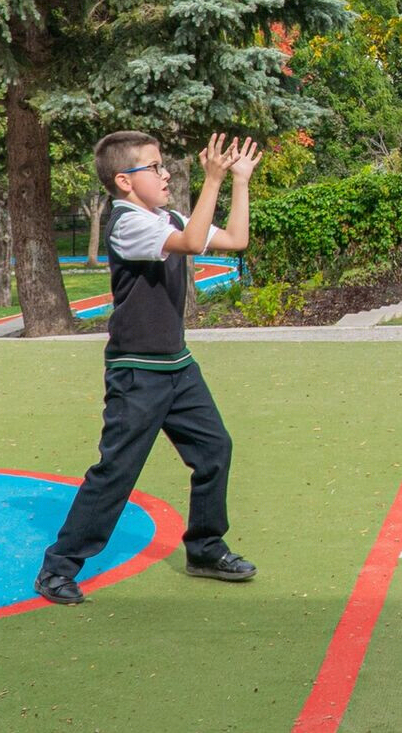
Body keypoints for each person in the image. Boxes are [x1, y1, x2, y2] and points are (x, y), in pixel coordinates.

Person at [35, 131, 261, 605]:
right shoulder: (127, 223)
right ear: (123, 181)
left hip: (177, 366)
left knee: (214, 449)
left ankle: (204, 549)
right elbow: (195, 241)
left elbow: (236, 239)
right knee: (116, 471)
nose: (165, 174)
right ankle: (58, 567)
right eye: (154, 167)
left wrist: (238, 180)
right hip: (137, 371)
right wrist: (212, 180)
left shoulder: (167, 215)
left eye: (162, 166)